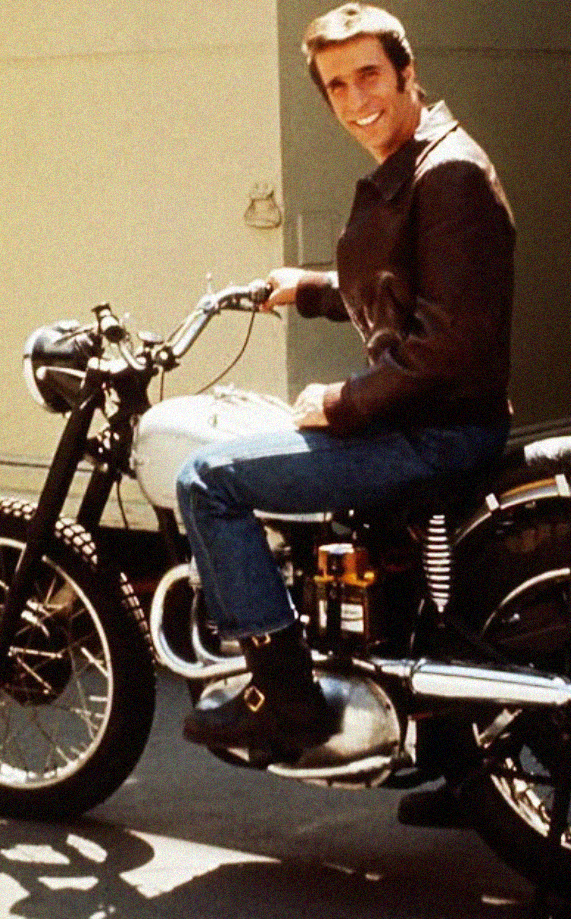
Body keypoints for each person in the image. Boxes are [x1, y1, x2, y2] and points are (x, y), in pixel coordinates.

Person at [177, 1, 515, 803]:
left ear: (406, 72)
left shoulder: (446, 173)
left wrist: (342, 401)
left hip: (431, 430)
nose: (356, 98)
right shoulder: (426, 159)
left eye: (369, 74)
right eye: (337, 85)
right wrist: (310, 289)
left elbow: (447, 346)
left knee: (207, 480)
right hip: (438, 423)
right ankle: (451, 755)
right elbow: (413, 286)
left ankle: (281, 695)